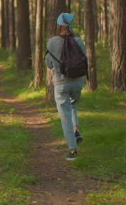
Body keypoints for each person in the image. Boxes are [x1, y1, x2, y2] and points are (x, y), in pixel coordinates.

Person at [45, 13, 86, 161]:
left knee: (65, 116)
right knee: (72, 104)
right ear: (70, 25)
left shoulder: (51, 42)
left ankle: (73, 151)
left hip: (61, 84)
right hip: (77, 83)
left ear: (59, 25)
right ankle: (76, 130)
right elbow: (84, 60)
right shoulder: (79, 41)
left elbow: (49, 64)